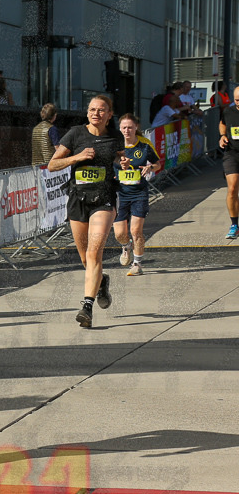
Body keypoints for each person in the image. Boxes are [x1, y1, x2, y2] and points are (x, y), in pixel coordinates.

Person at [48, 94, 126, 328]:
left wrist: (123, 163)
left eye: (101, 110)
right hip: (78, 199)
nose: (95, 113)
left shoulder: (115, 136)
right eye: (92, 109)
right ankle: (101, 282)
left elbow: (119, 159)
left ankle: (87, 307)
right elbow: (52, 164)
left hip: (104, 199)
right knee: (85, 258)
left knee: (94, 254)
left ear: (109, 114)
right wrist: (77, 157)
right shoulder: (75, 134)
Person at [113, 114, 160, 276]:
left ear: (136, 128)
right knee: (120, 234)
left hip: (139, 193)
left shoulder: (144, 145)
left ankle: (137, 264)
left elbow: (157, 163)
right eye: (124, 128)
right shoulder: (115, 145)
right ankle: (126, 246)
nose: (127, 130)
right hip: (120, 194)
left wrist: (150, 168)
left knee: (136, 231)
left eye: (130, 127)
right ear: (120, 128)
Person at [216, 85, 239, 238]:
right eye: (236, 100)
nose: (238, 102)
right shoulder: (228, 111)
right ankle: (234, 225)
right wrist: (223, 136)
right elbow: (222, 123)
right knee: (232, 189)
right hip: (232, 153)